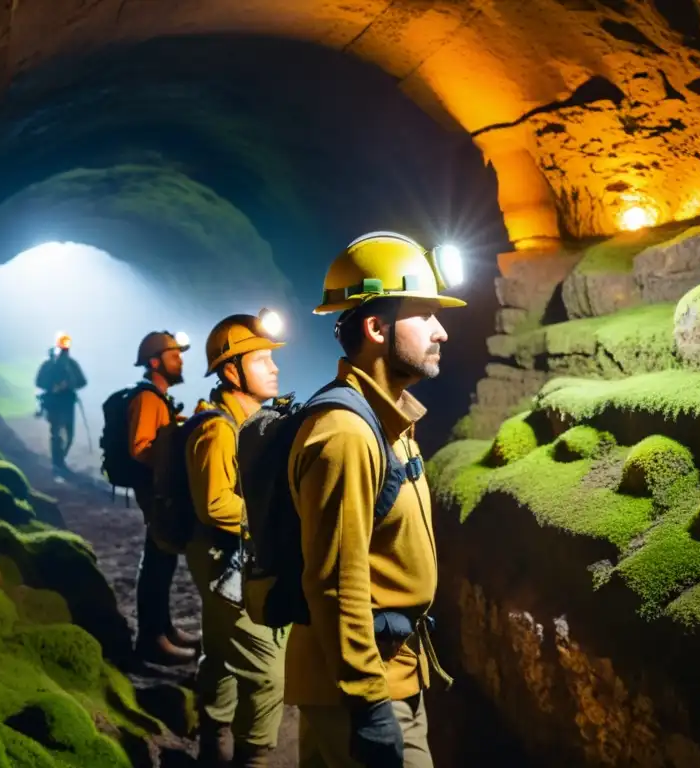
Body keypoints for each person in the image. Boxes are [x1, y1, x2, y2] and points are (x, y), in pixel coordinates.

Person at [286, 232, 465, 768]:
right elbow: (336, 582)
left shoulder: (387, 422)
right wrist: (368, 706)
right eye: (426, 316)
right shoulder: (347, 434)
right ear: (375, 327)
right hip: (363, 686)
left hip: (387, 674)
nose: (443, 331)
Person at [184, 312, 288, 767]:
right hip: (224, 561)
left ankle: (212, 739)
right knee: (268, 670)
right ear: (231, 371)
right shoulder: (217, 429)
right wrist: (273, 514)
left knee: (222, 652)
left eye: (271, 358)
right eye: (260, 359)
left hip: (230, 558)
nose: (273, 367)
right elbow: (213, 505)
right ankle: (254, 758)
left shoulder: (247, 421)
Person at [128, 330, 199, 664]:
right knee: (156, 563)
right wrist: (175, 442)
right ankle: (151, 639)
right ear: (155, 362)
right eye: (174, 355)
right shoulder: (147, 399)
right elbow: (140, 448)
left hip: (160, 492)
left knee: (164, 561)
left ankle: (164, 630)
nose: (180, 360)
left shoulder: (159, 398)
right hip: (154, 494)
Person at [35, 333, 87, 480]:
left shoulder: (72, 365)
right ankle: (57, 463)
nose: (64, 353)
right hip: (53, 403)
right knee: (56, 434)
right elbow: (39, 382)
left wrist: (70, 384)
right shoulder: (48, 365)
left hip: (68, 404)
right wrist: (53, 387)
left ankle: (60, 459)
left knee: (70, 435)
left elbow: (82, 381)